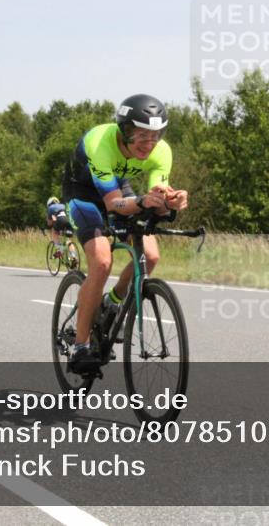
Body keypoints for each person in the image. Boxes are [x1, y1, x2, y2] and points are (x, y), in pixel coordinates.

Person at [61, 94, 189, 373]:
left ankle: (112, 302)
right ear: (124, 130)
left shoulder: (161, 151)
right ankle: (80, 347)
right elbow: (113, 204)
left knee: (151, 256)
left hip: (120, 189)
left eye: (156, 135)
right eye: (142, 135)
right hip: (83, 194)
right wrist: (143, 202)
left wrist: (170, 199)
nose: (149, 143)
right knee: (102, 262)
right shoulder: (100, 142)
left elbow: (157, 190)